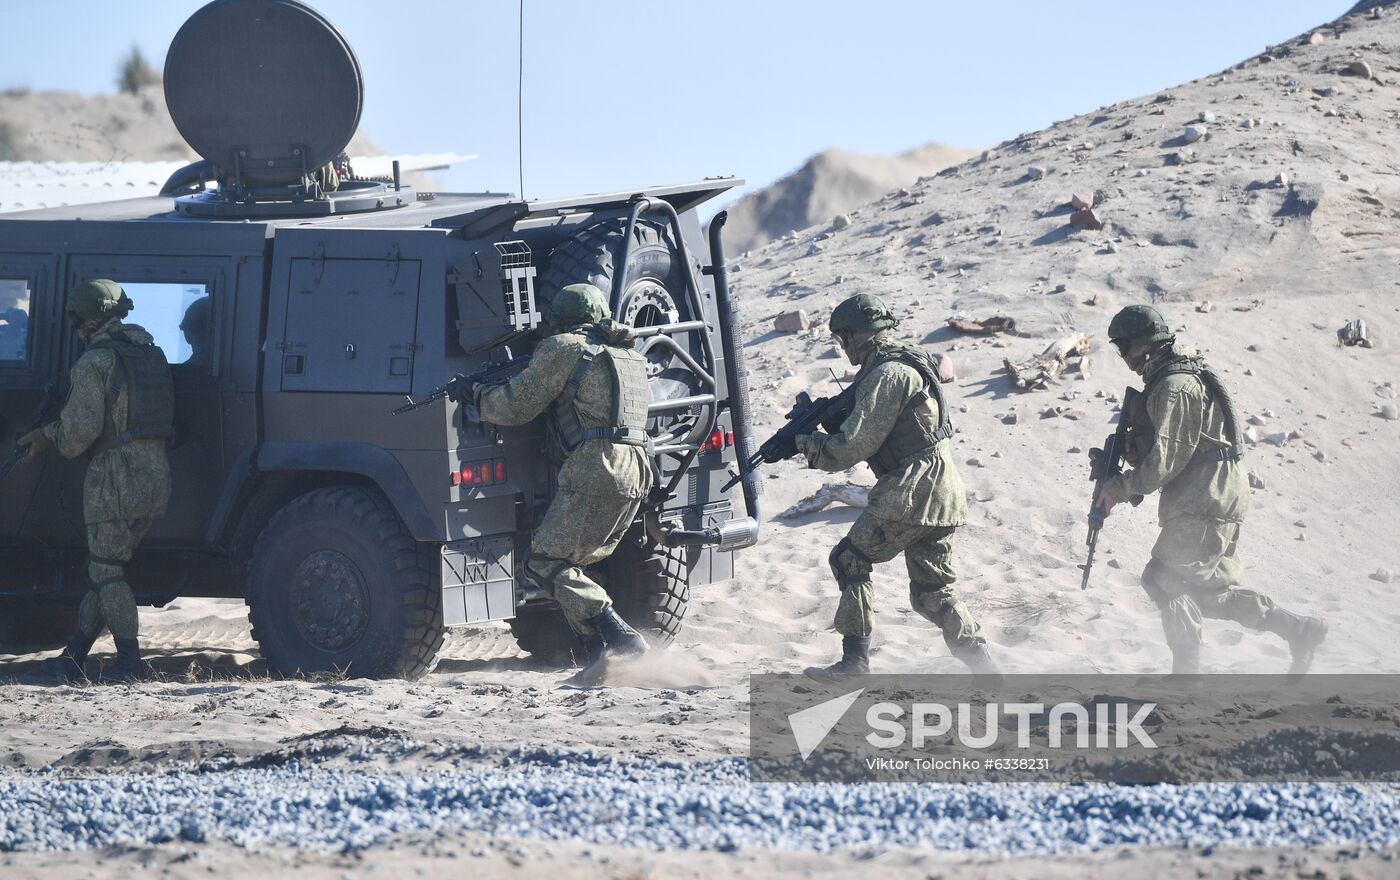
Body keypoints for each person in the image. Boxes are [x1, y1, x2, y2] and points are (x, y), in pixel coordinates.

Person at [1096, 304, 1327, 675]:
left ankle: (1186, 678)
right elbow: (1173, 449)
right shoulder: (1173, 379)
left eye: (1124, 346)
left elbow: (1165, 462)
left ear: (1144, 344)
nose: (1123, 356)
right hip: (1210, 491)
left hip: (1204, 496)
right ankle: (1299, 630)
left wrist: (1119, 488)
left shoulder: (1175, 386)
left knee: (1164, 577)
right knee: (1205, 593)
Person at [796, 293, 1000, 683]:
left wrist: (808, 444)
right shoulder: (906, 362)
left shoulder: (887, 375)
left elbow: (853, 446)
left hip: (912, 487)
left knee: (849, 559)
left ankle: (855, 664)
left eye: (844, 339)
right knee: (932, 592)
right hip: (942, 489)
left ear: (860, 335)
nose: (844, 348)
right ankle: (985, 667)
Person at [457, 283, 652, 671]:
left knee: (545, 563)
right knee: (572, 566)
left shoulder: (564, 347)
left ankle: (620, 636)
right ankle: (599, 656)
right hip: (637, 466)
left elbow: (516, 406)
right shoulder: (629, 355)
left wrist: (476, 396)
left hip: (597, 466)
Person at [23, 279, 174, 683]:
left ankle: (129, 663)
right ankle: (74, 656)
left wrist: (45, 435)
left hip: (115, 480)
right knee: (103, 569)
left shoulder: (95, 363)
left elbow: (76, 436)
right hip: (154, 476)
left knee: (108, 572)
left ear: (88, 319)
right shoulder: (148, 352)